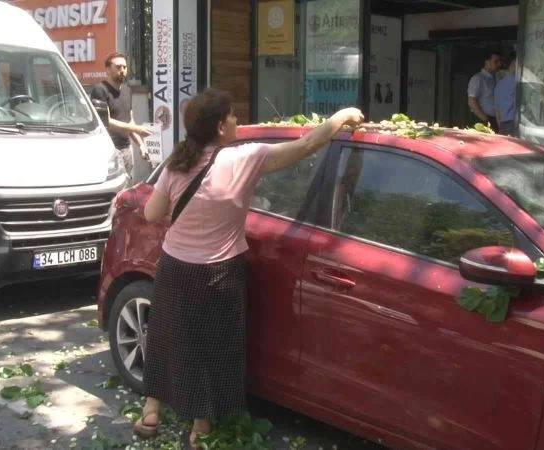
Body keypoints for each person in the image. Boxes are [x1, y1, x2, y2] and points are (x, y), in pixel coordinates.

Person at [133, 88, 364, 447]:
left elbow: (151, 213)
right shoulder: (246, 157)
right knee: (207, 348)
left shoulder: (177, 161)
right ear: (220, 127)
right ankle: (200, 426)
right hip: (218, 273)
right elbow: (307, 145)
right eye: (232, 115)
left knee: (166, 337)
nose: (237, 120)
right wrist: (342, 116)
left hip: (175, 268)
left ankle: (151, 409)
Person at [90, 52, 151, 182]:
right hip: (109, 149)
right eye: (118, 67)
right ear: (107, 69)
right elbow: (106, 121)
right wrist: (138, 129)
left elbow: (130, 121)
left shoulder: (127, 90)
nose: (122, 70)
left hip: (126, 149)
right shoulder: (100, 90)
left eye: (124, 67)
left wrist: (141, 145)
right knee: (114, 187)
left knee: (127, 187)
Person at [468, 50, 501, 133]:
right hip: (481, 119)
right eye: (496, 62)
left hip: (494, 119)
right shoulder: (478, 79)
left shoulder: (497, 78)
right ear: (487, 62)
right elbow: (471, 101)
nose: (499, 64)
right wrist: (486, 119)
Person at [494, 53, 517, 137]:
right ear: (514, 64)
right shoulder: (518, 84)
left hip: (502, 124)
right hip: (513, 123)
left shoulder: (499, 84)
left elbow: (497, 109)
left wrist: (500, 125)